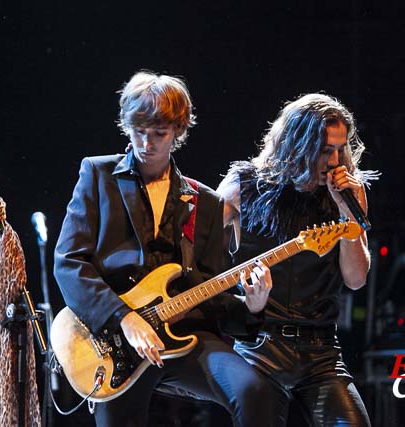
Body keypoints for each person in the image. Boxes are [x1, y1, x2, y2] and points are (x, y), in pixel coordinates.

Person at [53, 70, 276, 427]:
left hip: (184, 336)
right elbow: (69, 263)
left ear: (178, 131)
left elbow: (211, 293)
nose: (147, 144)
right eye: (139, 132)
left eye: (159, 133)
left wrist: (253, 307)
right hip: (114, 340)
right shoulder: (97, 175)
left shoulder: (204, 201)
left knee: (254, 390)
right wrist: (123, 319)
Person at [217, 93, 376, 426]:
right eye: (323, 150)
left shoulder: (348, 193)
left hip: (320, 353)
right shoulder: (242, 187)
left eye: (339, 149)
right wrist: (241, 303)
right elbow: (201, 260)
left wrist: (349, 211)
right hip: (259, 350)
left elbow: (356, 278)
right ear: (296, 145)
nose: (334, 162)